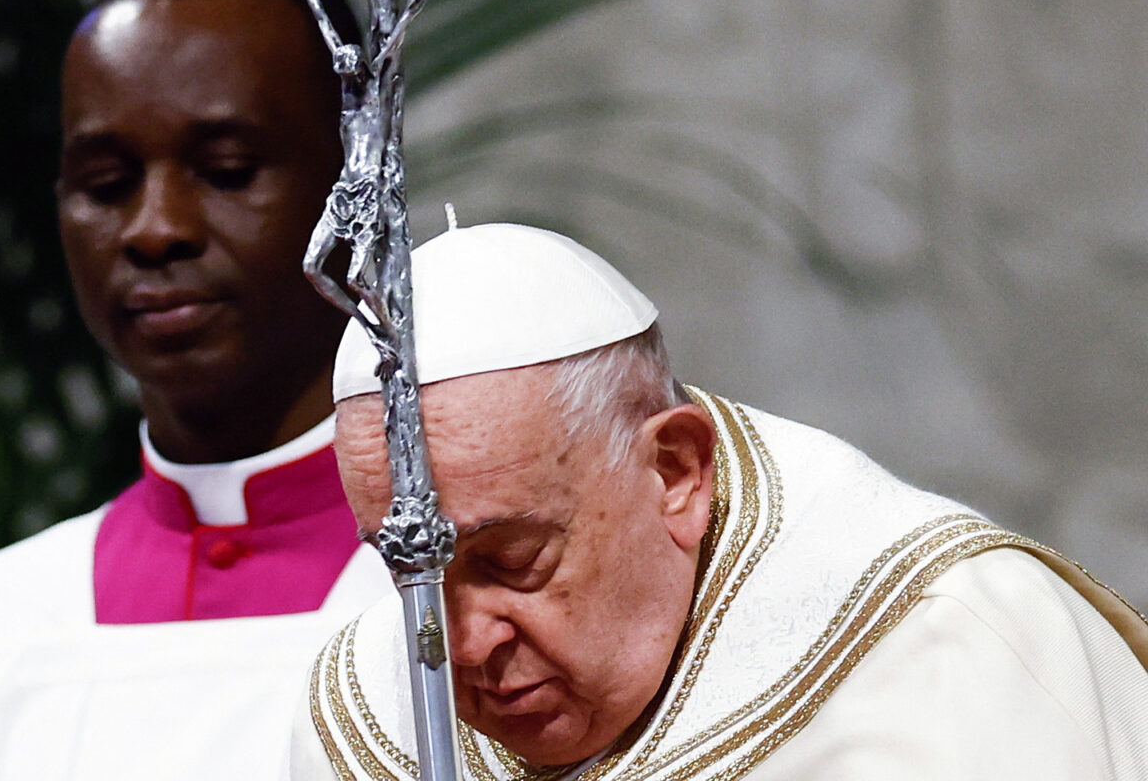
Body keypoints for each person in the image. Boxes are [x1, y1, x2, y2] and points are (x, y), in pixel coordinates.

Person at [0, 0, 393, 780]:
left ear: (360, 185)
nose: (154, 228)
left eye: (226, 170)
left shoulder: (490, 620)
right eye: (107, 182)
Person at [291, 222, 1148, 780]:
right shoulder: (368, 713)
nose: (463, 643)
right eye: (411, 572)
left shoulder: (952, 647)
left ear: (675, 472)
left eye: (513, 562)